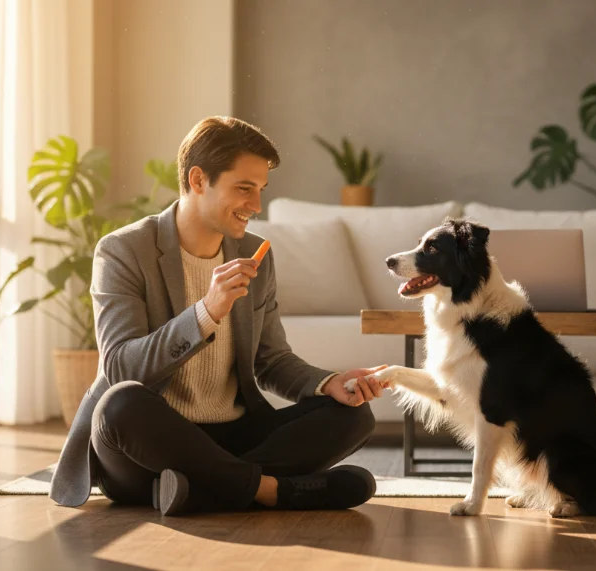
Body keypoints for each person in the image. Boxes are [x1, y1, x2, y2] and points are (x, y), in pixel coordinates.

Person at [49, 116, 390, 516]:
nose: (257, 206)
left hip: (230, 436)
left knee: (353, 415)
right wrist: (206, 312)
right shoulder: (123, 251)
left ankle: (200, 489)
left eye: (261, 190)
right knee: (119, 404)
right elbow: (122, 367)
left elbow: (271, 360)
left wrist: (329, 382)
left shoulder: (256, 252)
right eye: (244, 189)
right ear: (197, 180)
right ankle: (269, 490)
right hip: (147, 445)